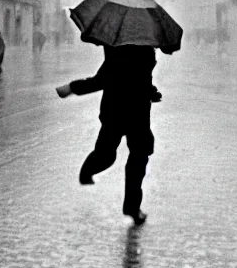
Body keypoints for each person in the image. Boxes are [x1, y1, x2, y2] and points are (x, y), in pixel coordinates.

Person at [56, 44, 162, 225]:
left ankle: (132, 207)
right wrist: (72, 88)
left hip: (134, 114)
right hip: (118, 111)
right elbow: (102, 80)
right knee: (108, 155)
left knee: (138, 157)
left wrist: (150, 92)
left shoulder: (136, 49)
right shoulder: (124, 50)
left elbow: (140, 80)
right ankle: (88, 171)